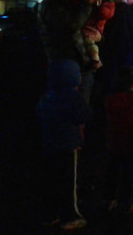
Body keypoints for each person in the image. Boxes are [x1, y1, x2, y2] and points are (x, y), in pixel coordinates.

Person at [37, 58, 93, 230]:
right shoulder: (75, 98)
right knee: (70, 183)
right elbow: (84, 116)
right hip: (69, 146)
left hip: (50, 144)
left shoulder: (46, 97)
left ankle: (50, 214)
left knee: (51, 182)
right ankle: (71, 216)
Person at [37, 0, 101, 104]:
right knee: (71, 112)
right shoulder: (50, 6)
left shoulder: (70, 4)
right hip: (66, 70)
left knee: (79, 110)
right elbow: (71, 25)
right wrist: (85, 5)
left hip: (78, 67)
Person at [104, 66, 133, 214]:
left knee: (113, 172)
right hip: (132, 143)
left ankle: (109, 199)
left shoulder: (111, 99)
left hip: (114, 142)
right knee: (129, 174)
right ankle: (126, 203)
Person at [80, 0, 115, 70]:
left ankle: (95, 59)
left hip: (96, 31)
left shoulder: (107, 4)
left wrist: (98, 6)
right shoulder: (81, 2)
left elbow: (105, 14)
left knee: (90, 40)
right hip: (85, 31)